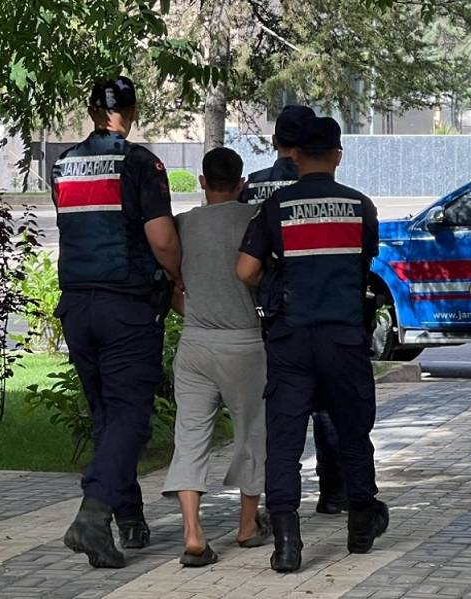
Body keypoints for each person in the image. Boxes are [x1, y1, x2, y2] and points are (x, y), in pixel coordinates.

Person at [236, 116, 388, 573]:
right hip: (343, 338)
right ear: (338, 155)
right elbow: (363, 266)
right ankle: (361, 524)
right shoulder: (360, 207)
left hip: (291, 341)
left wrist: (275, 285)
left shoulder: (277, 207)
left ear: (296, 155)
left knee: (284, 441)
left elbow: (245, 270)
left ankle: (286, 543)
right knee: (352, 432)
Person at [51, 76, 182, 569]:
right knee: (130, 415)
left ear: (90, 111)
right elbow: (163, 239)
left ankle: (127, 521)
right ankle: (92, 516)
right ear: (133, 111)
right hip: (126, 306)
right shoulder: (141, 163)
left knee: (108, 414)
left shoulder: (63, 164)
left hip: (77, 306)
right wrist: (176, 277)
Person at [162, 147, 271, 567]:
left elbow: (175, 292)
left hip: (195, 344)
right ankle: (247, 525)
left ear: (202, 181)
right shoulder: (256, 220)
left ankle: (193, 533)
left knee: (189, 436)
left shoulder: (183, 226)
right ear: (242, 183)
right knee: (252, 432)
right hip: (247, 344)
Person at [241, 104, 349, 516]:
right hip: (319, 310)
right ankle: (332, 490)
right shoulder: (325, 191)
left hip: (265, 313)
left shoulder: (251, 187)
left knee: (280, 408)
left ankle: (276, 501)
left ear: (276, 142)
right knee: (326, 407)